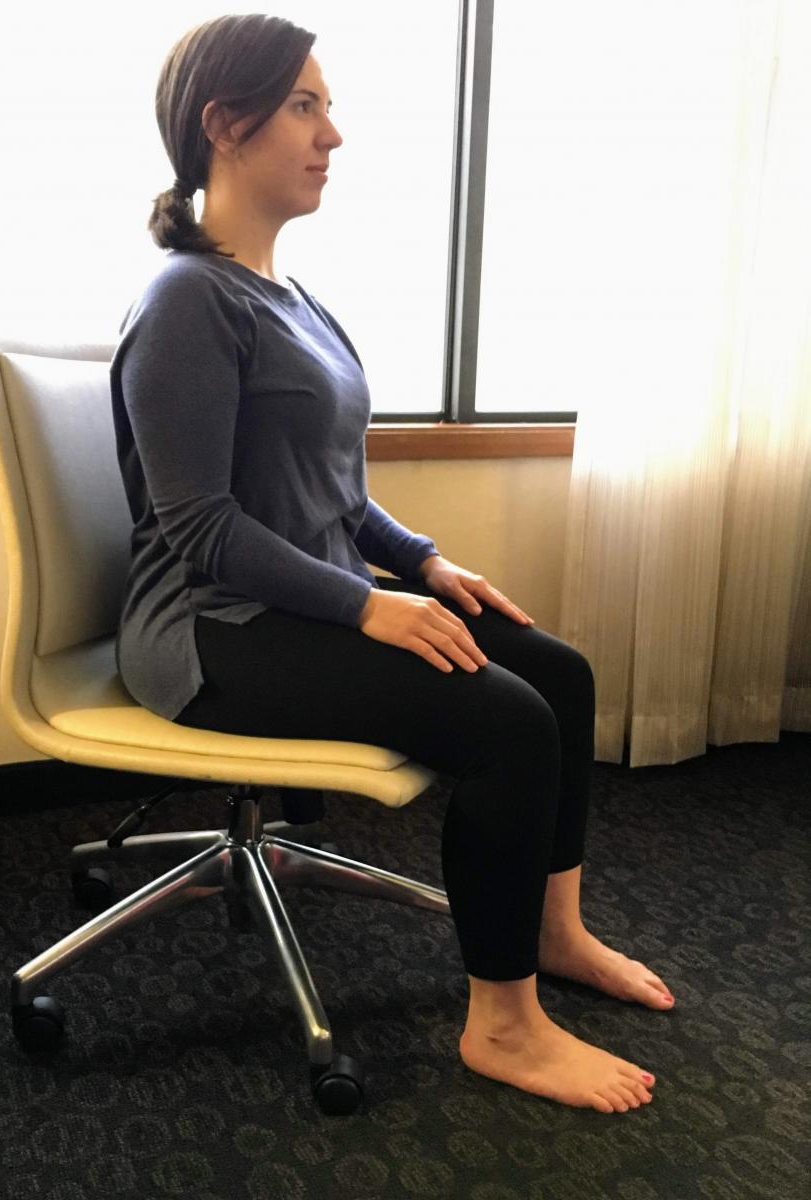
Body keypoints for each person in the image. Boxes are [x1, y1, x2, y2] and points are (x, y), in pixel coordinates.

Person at [110, 13, 674, 1115]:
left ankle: (552, 934)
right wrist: (369, 611)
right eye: (306, 106)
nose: (334, 134)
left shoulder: (292, 300)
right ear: (225, 125)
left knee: (557, 676)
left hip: (293, 601)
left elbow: (335, 494)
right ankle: (502, 1027)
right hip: (209, 629)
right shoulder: (186, 300)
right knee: (508, 725)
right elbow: (200, 531)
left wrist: (422, 564)